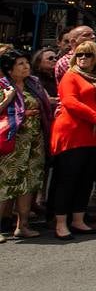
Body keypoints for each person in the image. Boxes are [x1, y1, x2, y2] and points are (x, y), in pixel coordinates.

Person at [48, 41, 96, 239]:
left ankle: (78, 219)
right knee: (67, 179)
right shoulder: (70, 76)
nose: (83, 58)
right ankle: (61, 222)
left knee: (86, 179)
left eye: (88, 55)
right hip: (73, 135)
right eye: (80, 54)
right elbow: (70, 101)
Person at [1, 50, 44, 239]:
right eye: (20, 63)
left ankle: (22, 225)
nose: (26, 66)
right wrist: (8, 100)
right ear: (9, 70)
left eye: (27, 62)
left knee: (29, 182)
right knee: (5, 183)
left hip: (34, 140)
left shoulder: (33, 84)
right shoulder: (3, 86)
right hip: (12, 142)